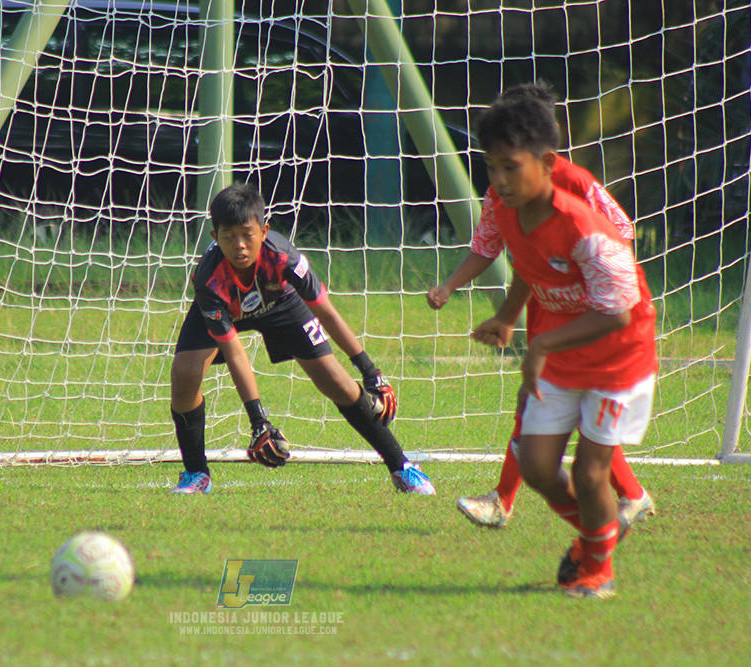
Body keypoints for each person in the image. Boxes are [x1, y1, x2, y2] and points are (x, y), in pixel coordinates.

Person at [427, 82, 655, 531]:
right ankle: (614, 504)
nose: (500, 173)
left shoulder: (575, 187)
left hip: (596, 316)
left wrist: (581, 284)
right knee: (547, 413)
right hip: (548, 307)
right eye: (493, 161)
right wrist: (464, 293)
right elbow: (499, 250)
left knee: (579, 420)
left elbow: (618, 237)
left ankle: (522, 504)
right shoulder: (504, 194)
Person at [169, 183, 434, 495]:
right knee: (185, 374)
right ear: (215, 238)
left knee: (337, 381)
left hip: (279, 303)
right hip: (227, 307)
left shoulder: (284, 258)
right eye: (229, 237)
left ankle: (402, 467)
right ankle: (196, 474)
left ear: (264, 231)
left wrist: (370, 371)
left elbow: (328, 313)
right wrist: (259, 422)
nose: (239, 245)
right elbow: (236, 353)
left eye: (247, 234)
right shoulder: (209, 280)